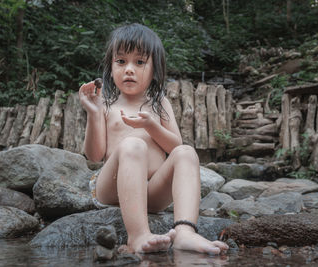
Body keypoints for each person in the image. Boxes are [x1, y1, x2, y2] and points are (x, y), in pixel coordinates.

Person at [79, 23, 228, 255]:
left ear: (154, 69)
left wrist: (151, 125)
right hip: (113, 188)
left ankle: (185, 232)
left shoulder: (159, 104)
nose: (129, 69)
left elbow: (175, 147)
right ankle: (138, 235)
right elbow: (95, 155)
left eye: (139, 62)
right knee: (132, 145)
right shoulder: (107, 105)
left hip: (153, 192)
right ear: (110, 66)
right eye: (121, 61)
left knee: (187, 153)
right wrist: (94, 113)